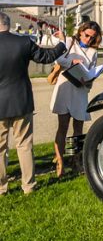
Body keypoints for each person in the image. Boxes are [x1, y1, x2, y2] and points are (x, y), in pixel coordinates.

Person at [0, 11, 66, 195]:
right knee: (25, 145)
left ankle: (1, 188)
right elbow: (46, 57)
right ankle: (28, 186)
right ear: (9, 24)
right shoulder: (23, 42)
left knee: (0, 148)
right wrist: (62, 44)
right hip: (21, 100)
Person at [50, 20, 102, 177]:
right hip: (65, 86)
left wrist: (88, 81)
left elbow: (91, 72)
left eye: (92, 38)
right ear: (81, 32)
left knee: (78, 129)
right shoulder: (69, 42)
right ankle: (60, 161)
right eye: (87, 36)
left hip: (80, 90)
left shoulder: (93, 52)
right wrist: (72, 61)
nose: (89, 40)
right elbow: (57, 60)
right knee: (63, 126)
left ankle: (76, 160)